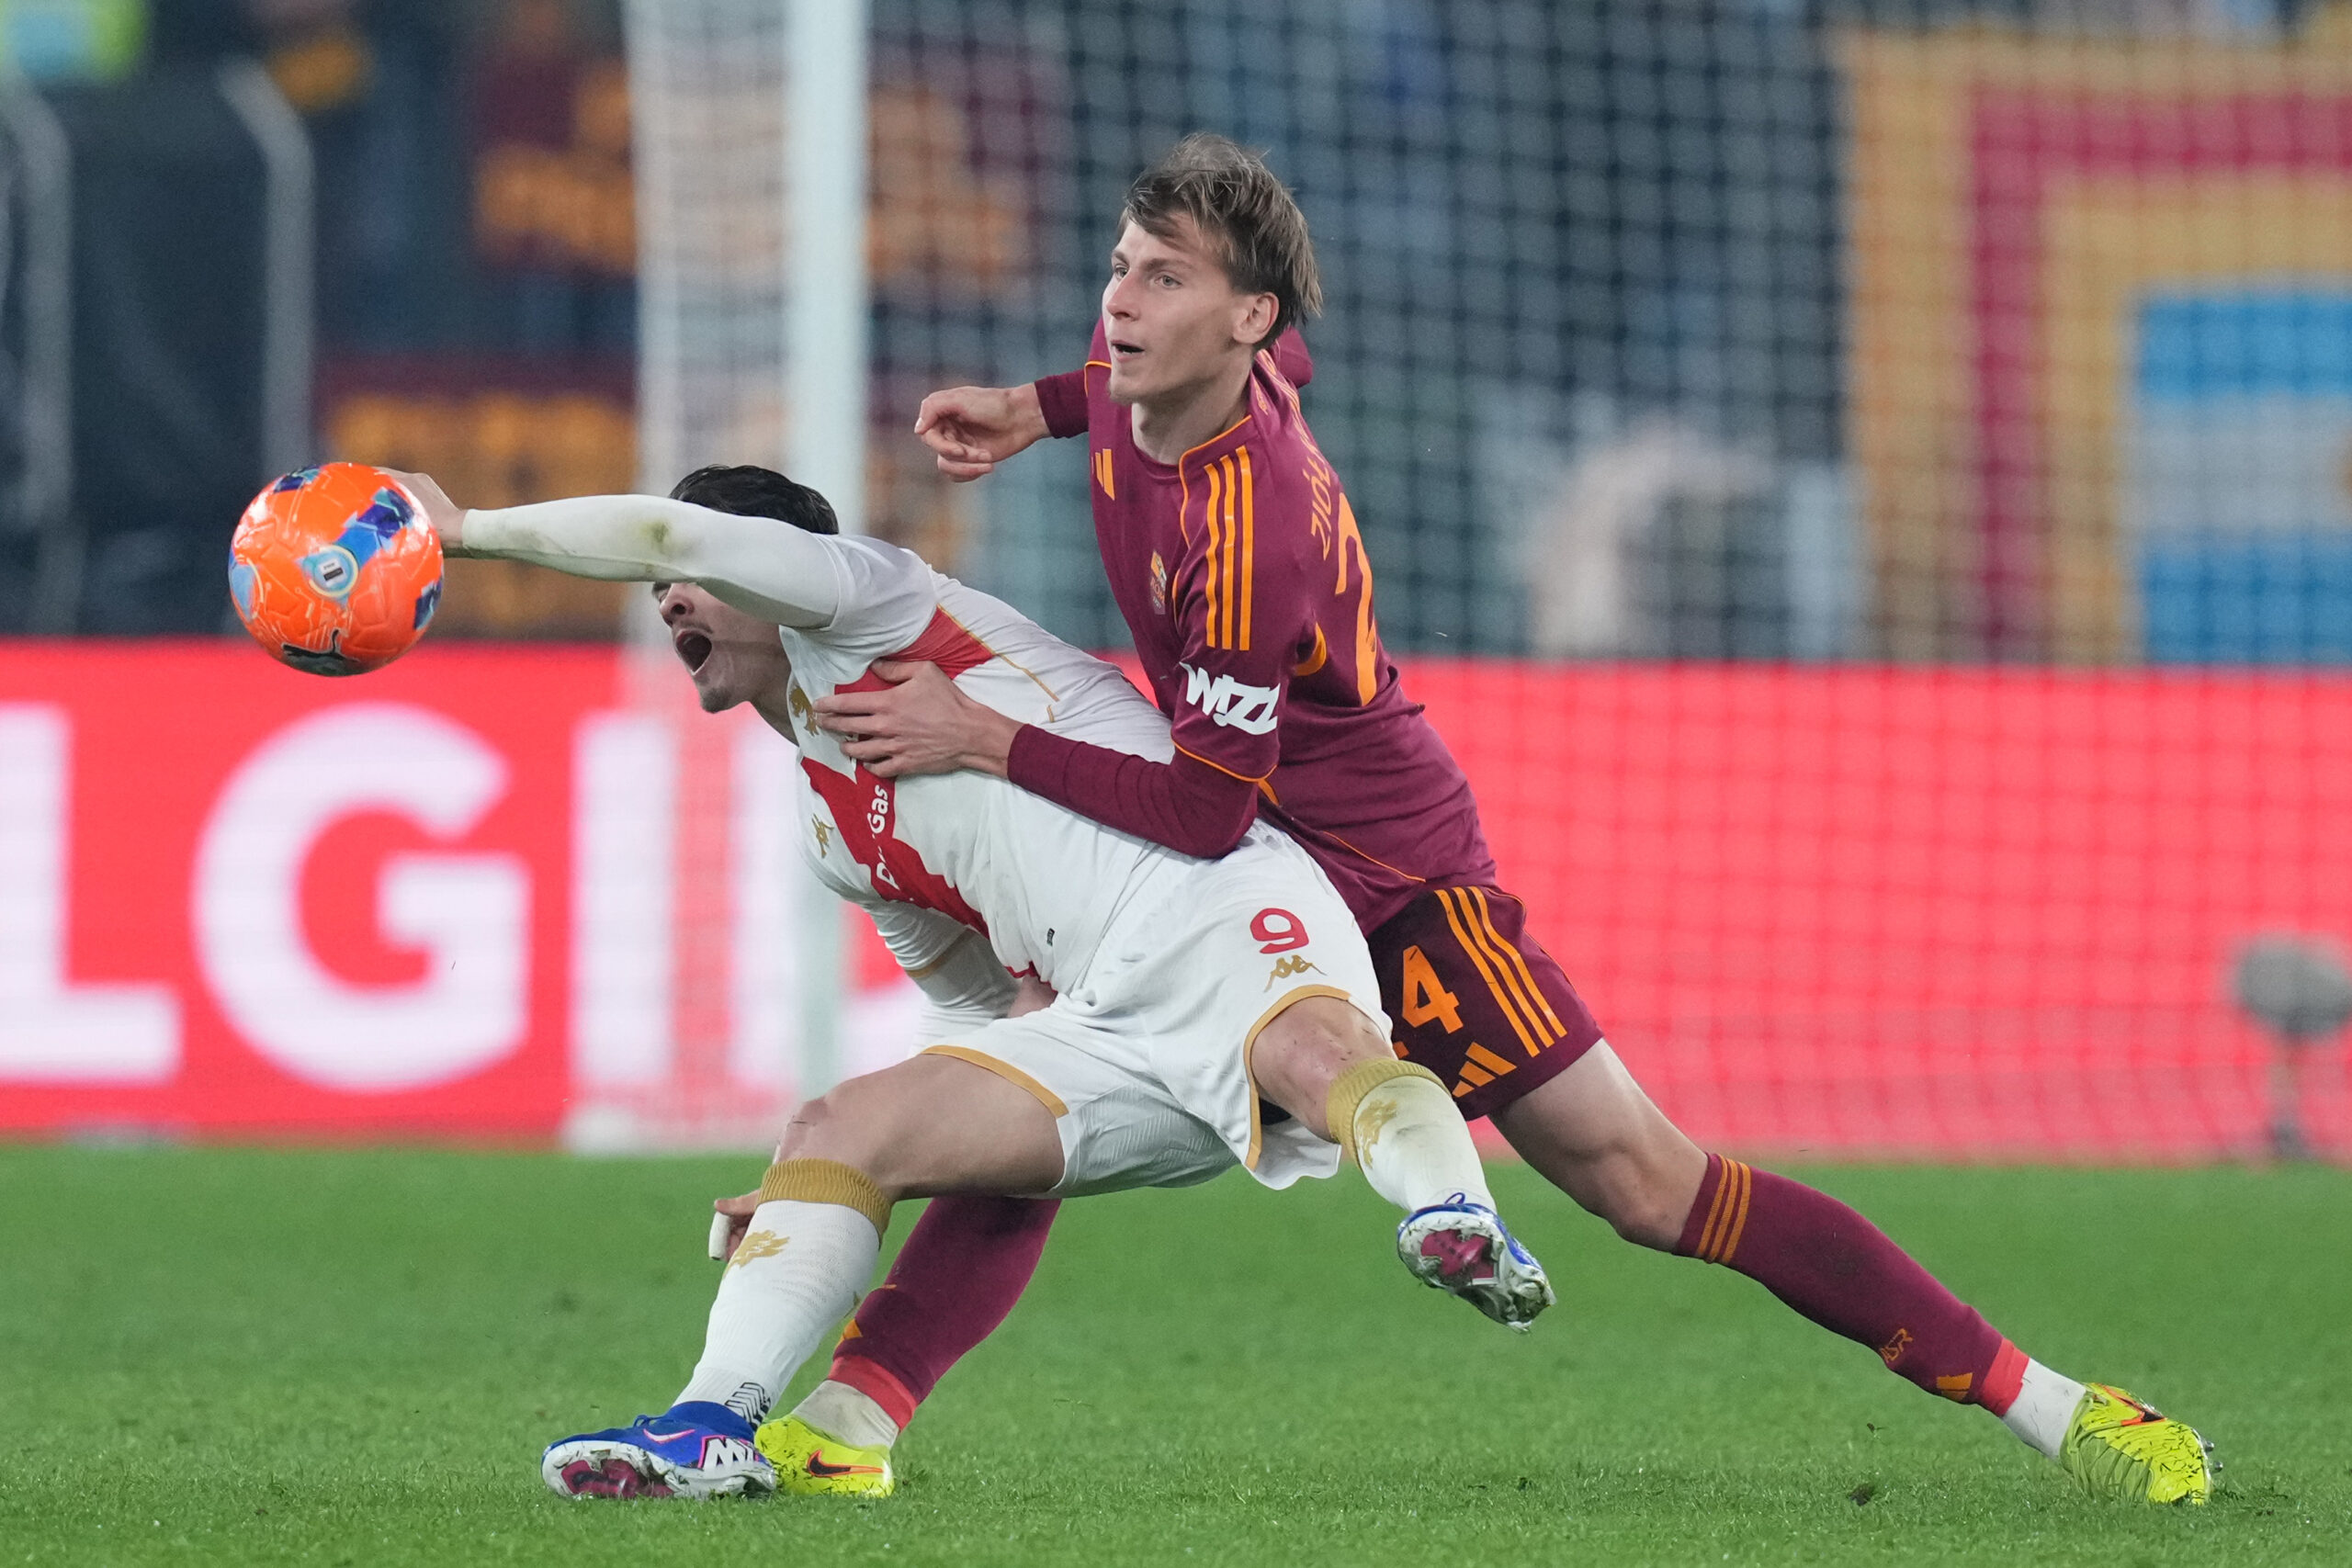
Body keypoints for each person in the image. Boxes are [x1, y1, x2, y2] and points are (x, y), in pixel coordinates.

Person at [799, 133, 2217, 1506]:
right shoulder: (1155, 373)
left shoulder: (1250, 530)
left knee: (1649, 1183)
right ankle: (846, 1423)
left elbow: (1204, 805)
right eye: (1121, 265)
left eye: (1164, 277)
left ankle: (2054, 1402)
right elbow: (1159, 388)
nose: (1121, 299)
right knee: (1049, 1076)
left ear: (1246, 316)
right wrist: (1033, 405)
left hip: (1383, 879)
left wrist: (983, 735)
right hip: (1255, 866)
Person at [401, 462, 1554, 1501]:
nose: (669, 601)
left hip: (1210, 900)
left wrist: (469, 529)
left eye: (697, 577)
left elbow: (669, 535)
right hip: (1100, 1019)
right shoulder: (830, 829)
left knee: (1315, 1056)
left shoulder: (874, 601)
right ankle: (711, 1428)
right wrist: (821, 1187)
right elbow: (977, 1015)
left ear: (775, 572)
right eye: (663, 592)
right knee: (838, 1130)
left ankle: (1452, 1213)